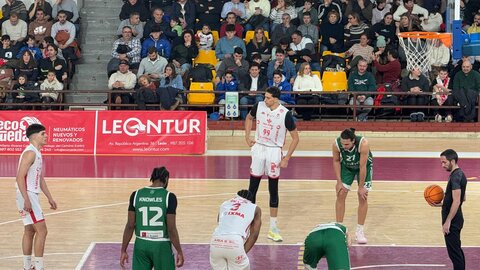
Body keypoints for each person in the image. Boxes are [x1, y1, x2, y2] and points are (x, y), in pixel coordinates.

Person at [245, 86, 299, 242]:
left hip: (274, 151)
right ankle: (248, 225)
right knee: (252, 188)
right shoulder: (259, 106)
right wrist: (247, 136)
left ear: (276, 99)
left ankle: (273, 228)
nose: (265, 100)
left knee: (273, 190)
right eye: (265, 97)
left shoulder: (285, 114)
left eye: (268, 97)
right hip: (259, 149)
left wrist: (287, 157)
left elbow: (295, 138)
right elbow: (249, 118)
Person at [120, 166, 184, 270]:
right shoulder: (169, 197)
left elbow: (130, 225)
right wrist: (179, 251)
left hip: (141, 244)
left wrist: (123, 250)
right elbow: (171, 229)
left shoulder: (135, 195)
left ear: (152, 178)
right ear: (166, 179)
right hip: (161, 245)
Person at [16, 123, 57, 270]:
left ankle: (27, 266)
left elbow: (39, 178)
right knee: (42, 230)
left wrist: (49, 197)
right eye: (43, 134)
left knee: (29, 230)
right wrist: (26, 199)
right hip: (27, 194)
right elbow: (19, 177)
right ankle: (39, 267)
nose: (46, 136)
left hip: (29, 194)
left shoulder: (37, 153)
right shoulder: (30, 153)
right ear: (34, 136)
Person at [332, 128, 373, 244]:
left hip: (364, 167)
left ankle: (359, 231)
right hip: (347, 167)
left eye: (347, 144)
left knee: (363, 197)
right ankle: (339, 229)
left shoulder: (363, 144)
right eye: (342, 143)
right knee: (341, 194)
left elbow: (362, 167)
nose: (344, 146)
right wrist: (339, 181)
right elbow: (335, 161)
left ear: (353, 141)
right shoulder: (336, 144)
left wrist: (360, 187)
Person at [431, 149, 467, 270]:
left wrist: (448, 221)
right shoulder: (459, 174)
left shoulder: (456, 176)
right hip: (456, 218)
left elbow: (457, 201)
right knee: (456, 251)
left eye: (444, 162)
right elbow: (463, 198)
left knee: (455, 254)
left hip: (453, 220)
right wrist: (442, 204)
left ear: (452, 161)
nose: (442, 165)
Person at [209, 190, 262, 270]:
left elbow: (219, 223)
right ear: (250, 200)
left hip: (215, 241)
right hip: (235, 242)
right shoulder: (255, 208)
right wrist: (242, 251)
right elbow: (254, 235)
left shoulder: (224, 204)